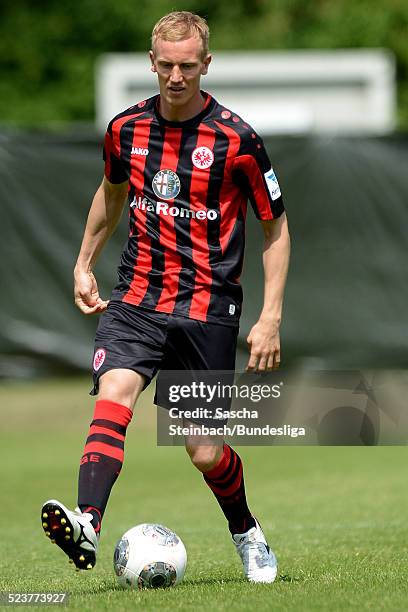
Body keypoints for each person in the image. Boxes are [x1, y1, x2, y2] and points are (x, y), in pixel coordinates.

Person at [41, 11, 290, 584]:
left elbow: (275, 228)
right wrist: (83, 263)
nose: (176, 76)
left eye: (188, 65)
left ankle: (247, 532)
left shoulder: (238, 140)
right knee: (115, 394)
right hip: (136, 298)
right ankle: (87, 524)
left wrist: (270, 315)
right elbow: (109, 196)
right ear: (151, 63)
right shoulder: (125, 129)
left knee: (203, 450)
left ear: (206, 64)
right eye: (166, 65)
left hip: (208, 306)